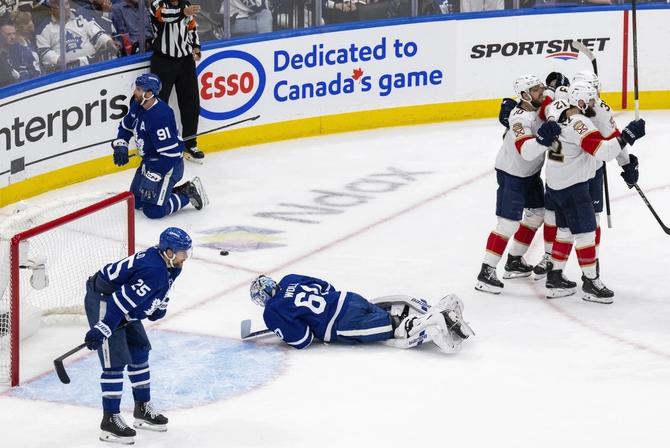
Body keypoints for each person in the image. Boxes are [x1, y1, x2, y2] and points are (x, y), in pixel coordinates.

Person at [83, 227, 192, 444]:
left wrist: (160, 303)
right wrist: (104, 327)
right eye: (182, 252)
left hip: (122, 303)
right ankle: (110, 420)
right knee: (114, 362)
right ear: (168, 252)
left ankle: (142, 408)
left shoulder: (171, 265)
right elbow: (119, 302)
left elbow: (164, 288)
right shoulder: (153, 270)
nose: (185, 256)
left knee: (139, 352)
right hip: (105, 300)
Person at [540, 83, 645, 303]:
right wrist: (627, 135)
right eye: (589, 101)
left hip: (555, 183)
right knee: (586, 233)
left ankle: (555, 278)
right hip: (573, 186)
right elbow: (603, 152)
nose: (592, 104)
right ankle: (590, 283)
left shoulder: (558, 109)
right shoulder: (580, 123)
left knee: (565, 231)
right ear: (579, 101)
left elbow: (549, 110)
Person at [475, 74, 556, 294]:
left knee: (537, 214)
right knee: (507, 224)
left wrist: (555, 86)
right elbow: (527, 152)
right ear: (524, 95)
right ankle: (486, 272)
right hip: (512, 174)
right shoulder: (519, 119)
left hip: (530, 174)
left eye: (540, 87)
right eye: (536, 89)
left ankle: (514, 261)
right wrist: (544, 139)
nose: (541, 91)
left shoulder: (539, 102)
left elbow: (553, 95)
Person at [249, 274, 473, 353]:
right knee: (384, 317)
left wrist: (286, 330)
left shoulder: (272, 311)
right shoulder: (289, 279)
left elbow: (303, 340)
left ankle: (432, 320)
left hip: (342, 324)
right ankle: (437, 312)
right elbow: (326, 286)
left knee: (393, 330)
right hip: (349, 299)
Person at [112, 72, 209, 219]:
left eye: (139, 89)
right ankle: (166, 192)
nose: (135, 92)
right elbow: (126, 127)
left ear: (149, 93)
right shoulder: (137, 106)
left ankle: (188, 193)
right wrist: (121, 144)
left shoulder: (160, 116)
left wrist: (154, 176)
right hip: (149, 162)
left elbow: (171, 155)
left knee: (152, 211)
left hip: (168, 166)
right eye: (136, 88)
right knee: (135, 202)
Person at [149, 0, 204, 162]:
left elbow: (192, 27)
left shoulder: (185, 4)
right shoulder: (157, 4)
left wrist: (196, 47)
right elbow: (164, 16)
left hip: (186, 61)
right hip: (163, 61)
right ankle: (159, 147)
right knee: (159, 107)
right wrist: (184, 12)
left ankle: (190, 143)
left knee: (191, 103)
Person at [35, 0, 118, 71]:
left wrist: (108, 41)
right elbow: (43, 52)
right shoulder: (44, 27)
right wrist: (58, 60)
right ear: (52, 8)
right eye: (60, 6)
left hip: (93, 64)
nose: (65, 8)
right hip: (66, 72)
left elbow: (97, 33)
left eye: (66, 4)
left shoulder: (81, 16)